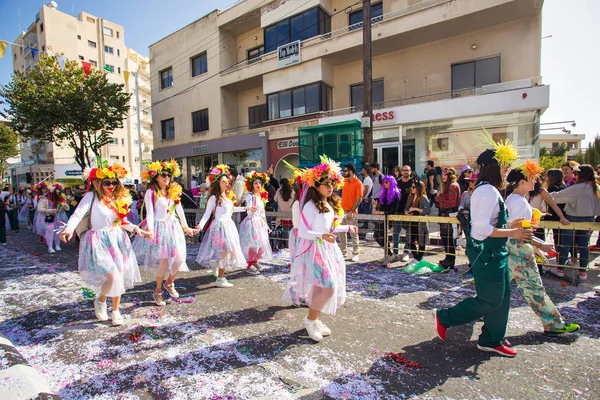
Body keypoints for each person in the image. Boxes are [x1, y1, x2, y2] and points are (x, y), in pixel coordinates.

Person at [434, 144, 531, 358]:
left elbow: (490, 222)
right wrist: (513, 232)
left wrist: (510, 226)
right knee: (490, 300)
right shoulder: (487, 191)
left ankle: (491, 339)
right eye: (504, 167)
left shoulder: (490, 189)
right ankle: (446, 317)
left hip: (496, 253)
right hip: (487, 255)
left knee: (502, 297)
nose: (507, 171)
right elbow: (481, 229)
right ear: (494, 167)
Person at [60, 162, 146, 326]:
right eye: (107, 182)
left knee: (118, 276)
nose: (111, 186)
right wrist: (69, 229)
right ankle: (101, 301)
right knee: (112, 276)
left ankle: (115, 310)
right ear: (97, 183)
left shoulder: (118, 199)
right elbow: (77, 215)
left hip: (117, 239)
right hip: (98, 240)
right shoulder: (91, 197)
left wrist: (136, 228)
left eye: (114, 182)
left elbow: (122, 222)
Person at [504, 161, 580, 335]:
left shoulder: (514, 199)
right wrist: (540, 245)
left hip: (515, 249)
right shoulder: (519, 202)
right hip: (519, 250)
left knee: (499, 287)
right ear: (521, 182)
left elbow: (515, 231)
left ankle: (470, 311)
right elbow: (518, 232)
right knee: (535, 289)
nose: (535, 181)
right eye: (531, 178)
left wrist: (536, 247)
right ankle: (553, 324)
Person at [291, 155, 357, 342]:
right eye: (326, 184)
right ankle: (310, 320)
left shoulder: (329, 203)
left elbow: (330, 228)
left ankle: (314, 318)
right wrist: (321, 236)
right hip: (316, 251)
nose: (330, 187)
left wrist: (347, 227)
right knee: (328, 287)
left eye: (332, 184)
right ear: (316, 185)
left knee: (320, 288)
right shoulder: (311, 205)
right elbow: (303, 231)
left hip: (328, 249)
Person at [133, 160, 195, 306]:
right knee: (164, 261)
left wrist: (186, 227)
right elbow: (150, 213)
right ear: (156, 176)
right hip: (160, 228)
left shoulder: (174, 190)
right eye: (163, 175)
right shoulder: (151, 192)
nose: (167, 177)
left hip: (173, 227)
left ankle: (169, 282)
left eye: (169, 175)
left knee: (179, 259)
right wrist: (151, 229)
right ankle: (158, 290)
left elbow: (179, 209)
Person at [196, 165, 255, 288]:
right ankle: (220, 278)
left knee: (231, 252)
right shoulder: (214, 198)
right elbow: (207, 214)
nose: (226, 183)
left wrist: (246, 208)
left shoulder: (227, 197)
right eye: (223, 181)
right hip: (220, 227)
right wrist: (200, 227)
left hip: (229, 226)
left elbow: (232, 210)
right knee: (227, 252)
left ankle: (216, 264)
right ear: (218, 183)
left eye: (227, 181)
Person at [549, 164, 599, 281]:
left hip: (573, 218)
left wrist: (544, 195)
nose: (575, 176)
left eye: (576, 174)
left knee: (565, 243)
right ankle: (582, 272)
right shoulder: (595, 187)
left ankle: (560, 269)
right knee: (583, 245)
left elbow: (559, 196)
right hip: (589, 220)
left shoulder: (578, 188)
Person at [239, 171, 272, 274]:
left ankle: (254, 261)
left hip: (260, 223)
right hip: (252, 222)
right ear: (252, 185)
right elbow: (249, 210)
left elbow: (262, 212)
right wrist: (250, 209)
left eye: (259, 183)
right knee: (254, 245)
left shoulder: (261, 197)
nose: (258, 185)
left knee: (262, 246)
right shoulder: (251, 196)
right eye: (256, 183)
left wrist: (266, 224)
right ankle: (250, 264)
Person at [435, 168, 461, 271]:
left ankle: (451, 260)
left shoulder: (452, 186)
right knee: (445, 237)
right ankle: (448, 258)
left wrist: (438, 198)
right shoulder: (449, 186)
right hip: (445, 214)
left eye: (445, 175)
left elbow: (452, 203)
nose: (443, 177)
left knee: (448, 238)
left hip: (449, 214)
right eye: (442, 175)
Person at [372, 175, 401, 257]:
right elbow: (383, 205)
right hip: (383, 218)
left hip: (390, 218)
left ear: (391, 183)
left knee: (380, 236)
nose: (384, 183)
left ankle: (389, 254)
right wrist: (377, 204)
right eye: (384, 182)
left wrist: (379, 213)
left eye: (386, 182)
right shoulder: (384, 193)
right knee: (378, 236)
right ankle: (389, 254)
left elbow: (392, 210)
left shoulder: (395, 194)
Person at [340, 163, 363, 262]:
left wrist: (351, 211)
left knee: (354, 233)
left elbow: (359, 198)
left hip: (352, 212)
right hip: (342, 211)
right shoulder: (344, 181)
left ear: (351, 171)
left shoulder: (358, 183)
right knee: (341, 232)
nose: (344, 173)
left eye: (346, 171)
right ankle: (343, 251)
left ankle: (355, 253)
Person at [37, 184, 69, 253]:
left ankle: (57, 245)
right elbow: (39, 208)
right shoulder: (45, 199)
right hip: (49, 218)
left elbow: (67, 207)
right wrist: (49, 210)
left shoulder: (60, 199)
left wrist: (64, 204)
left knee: (58, 230)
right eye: (57, 190)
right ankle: (50, 247)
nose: (58, 192)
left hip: (58, 217)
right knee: (50, 230)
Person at [404, 180, 431, 261]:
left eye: (413, 187)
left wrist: (416, 209)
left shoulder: (423, 197)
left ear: (419, 188)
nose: (411, 188)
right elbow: (406, 207)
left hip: (420, 223)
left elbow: (428, 210)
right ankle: (416, 257)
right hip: (411, 222)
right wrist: (406, 212)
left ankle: (419, 258)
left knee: (421, 241)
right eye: (411, 187)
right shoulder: (410, 197)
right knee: (410, 240)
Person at [395, 165, 414, 261]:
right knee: (395, 233)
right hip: (398, 211)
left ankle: (406, 252)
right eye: (404, 170)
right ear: (401, 172)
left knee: (408, 233)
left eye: (407, 170)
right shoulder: (397, 183)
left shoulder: (413, 183)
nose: (405, 172)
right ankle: (395, 253)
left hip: (409, 211)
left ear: (410, 172)